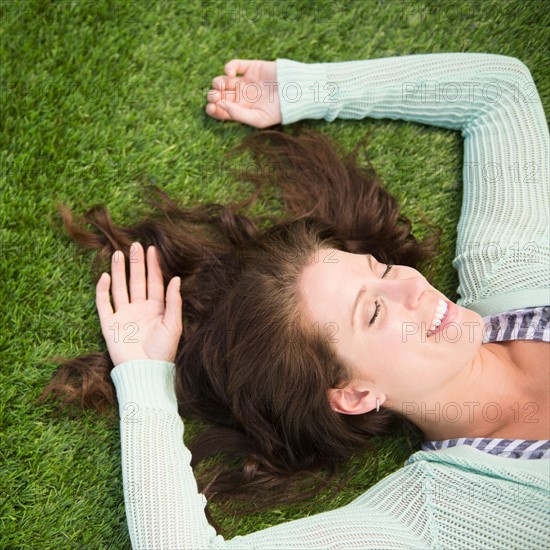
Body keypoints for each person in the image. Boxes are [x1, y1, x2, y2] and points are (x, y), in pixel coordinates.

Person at [40, 53, 549, 548]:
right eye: (372, 312)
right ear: (352, 394)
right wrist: (145, 372)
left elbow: (500, 95)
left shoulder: (514, 271)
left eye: (383, 269)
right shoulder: (449, 514)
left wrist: (307, 90)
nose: (413, 287)